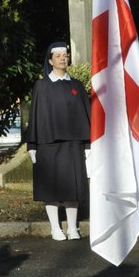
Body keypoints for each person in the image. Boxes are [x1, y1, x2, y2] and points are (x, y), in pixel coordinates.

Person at [27, 41, 91, 241]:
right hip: (47, 144)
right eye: (58, 56)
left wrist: (88, 144)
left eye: (65, 55)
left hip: (73, 144)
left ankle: (73, 228)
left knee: (73, 188)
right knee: (50, 189)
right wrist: (32, 145)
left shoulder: (77, 85)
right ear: (50, 60)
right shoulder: (42, 86)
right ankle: (55, 228)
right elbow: (35, 115)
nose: (63, 58)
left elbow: (86, 115)